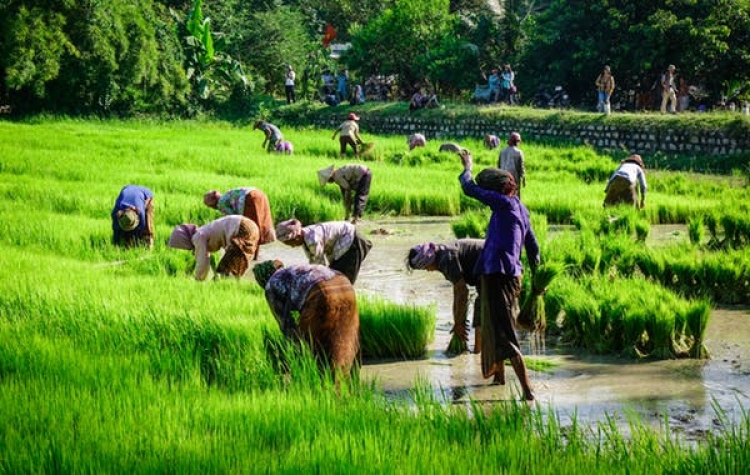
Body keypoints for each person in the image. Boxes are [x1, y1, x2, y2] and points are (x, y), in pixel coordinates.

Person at [458, 148, 540, 402]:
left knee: (503, 330)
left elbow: (470, 189)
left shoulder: (502, 203)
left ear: (497, 191)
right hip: (507, 275)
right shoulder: (520, 208)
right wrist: (537, 278)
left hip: (498, 274)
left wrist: (467, 166)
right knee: (493, 326)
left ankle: (527, 391)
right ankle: (499, 378)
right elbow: (533, 248)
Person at [253, 260, 360, 380]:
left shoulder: (271, 284)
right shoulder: (293, 270)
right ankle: (351, 379)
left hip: (321, 291)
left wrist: (298, 351)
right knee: (348, 334)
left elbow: (286, 325)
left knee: (319, 342)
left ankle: (324, 380)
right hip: (344, 283)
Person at [406, 239, 484, 355]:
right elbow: (457, 291)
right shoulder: (442, 255)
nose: (427, 271)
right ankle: (478, 353)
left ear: (428, 261)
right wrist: (457, 322)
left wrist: (458, 324)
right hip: (483, 270)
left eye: (425, 267)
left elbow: (463, 292)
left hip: (494, 263)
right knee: (481, 309)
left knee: (483, 308)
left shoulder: (447, 259)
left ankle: (479, 353)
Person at [275, 219, 372, 284]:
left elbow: (319, 267)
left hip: (352, 241)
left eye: (291, 243)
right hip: (343, 243)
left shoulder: (312, 239)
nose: (292, 247)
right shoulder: (305, 239)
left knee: (343, 280)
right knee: (335, 276)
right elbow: (313, 262)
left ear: (296, 237)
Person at [167, 215, 260, 281]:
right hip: (251, 226)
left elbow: (203, 262)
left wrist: (198, 280)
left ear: (183, 241)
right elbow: (206, 258)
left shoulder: (198, 237)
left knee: (224, 272)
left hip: (242, 228)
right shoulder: (202, 232)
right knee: (234, 269)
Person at [203, 187, 276, 258]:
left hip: (249, 199)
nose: (212, 208)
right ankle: (255, 257)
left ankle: (250, 257)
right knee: (258, 227)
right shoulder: (226, 196)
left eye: (210, 206)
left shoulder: (221, 203)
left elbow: (234, 219)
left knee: (250, 230)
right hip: (259, 194)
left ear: (213, 203)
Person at [111, 184, 154, 249]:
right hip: (127, 189)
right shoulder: (116, 213)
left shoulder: (140, 213)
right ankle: (126, 241)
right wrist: (115, 244)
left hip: (146, 196)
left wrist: (135, 242)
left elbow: (140, 228)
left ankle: (148, 244)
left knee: (147, 227)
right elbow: (115, 230)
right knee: (122, 234)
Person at [497, 132, 526, 200]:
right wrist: (524, 178)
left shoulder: (502, 151)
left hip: (502, 177)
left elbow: (498, 165)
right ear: (516, 142)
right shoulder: (519, 152)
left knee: (503, 194)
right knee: (515, 196)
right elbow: (521, 167)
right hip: (513, 178)